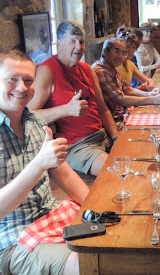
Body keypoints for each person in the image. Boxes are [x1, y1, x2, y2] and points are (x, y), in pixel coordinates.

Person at [0, 50, 87, 275]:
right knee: (86, 263)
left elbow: (66, 174)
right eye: (12, 79)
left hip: (47, 216)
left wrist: (95, 209)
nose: (22, 87)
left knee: (110, 242)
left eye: (28, 80)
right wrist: (39, 163)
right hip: (4, 239)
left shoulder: (33, 121)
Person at [28, 21, 118, 176]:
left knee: (138, 151)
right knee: (117, 172)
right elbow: (29, 115)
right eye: (72, 41)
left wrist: (116, 138)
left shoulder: (87, 69)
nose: (79, 46)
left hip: (102, 136)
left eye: (82, 42)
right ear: (59, 43)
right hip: (76, 146)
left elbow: (103, 110)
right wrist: (66, 110)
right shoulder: (46, 70)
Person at [92, 38, 160, 123]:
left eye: (123, 53)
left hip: (123, 114)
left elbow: (127, 89)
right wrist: (152, 100)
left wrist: (148, 94)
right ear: (105, 51)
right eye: (116, 51)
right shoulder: (100, 70)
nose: (120, 56)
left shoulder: (111, 67)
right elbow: (120, 99)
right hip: (113, 121)